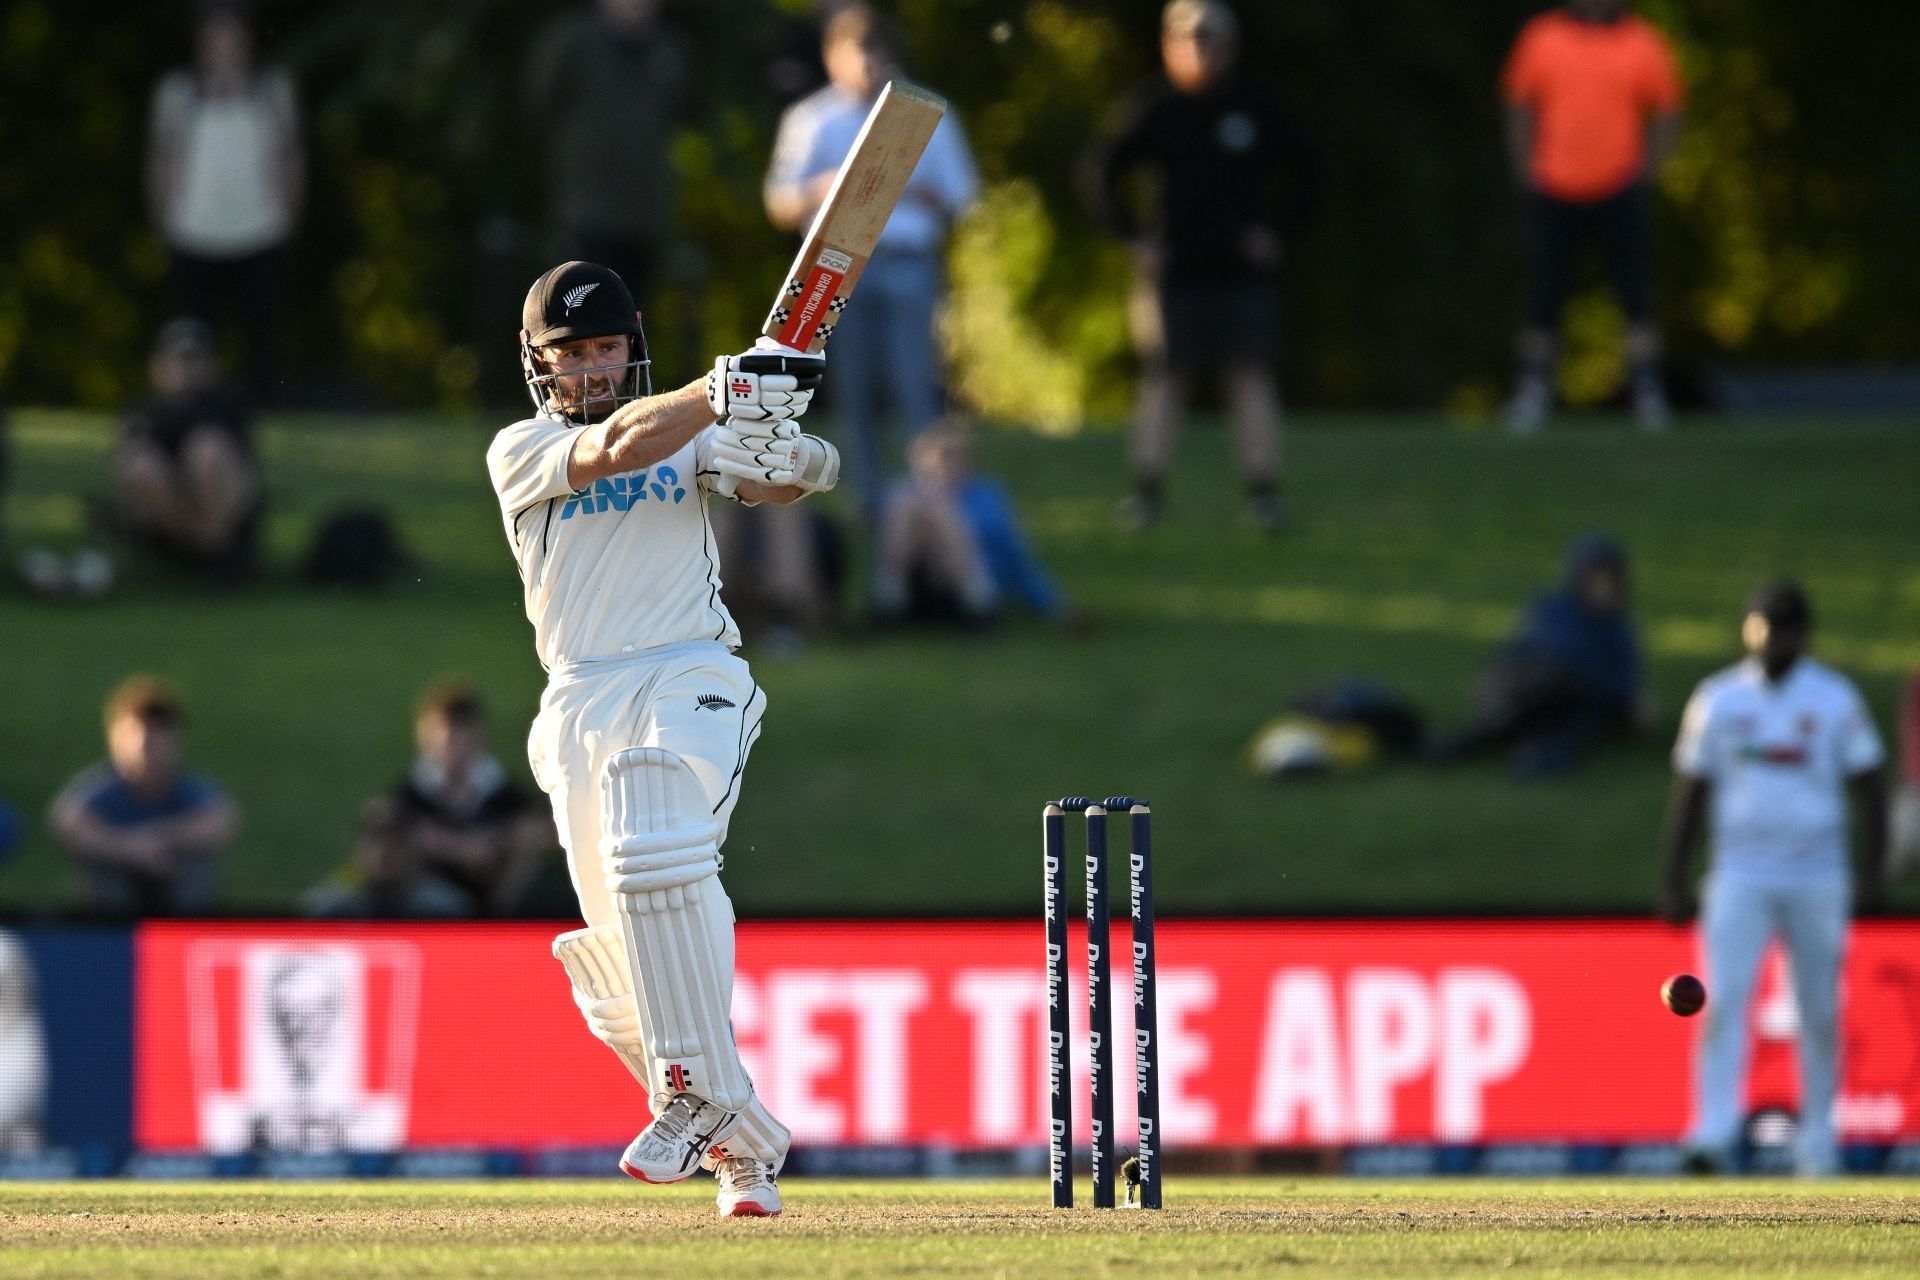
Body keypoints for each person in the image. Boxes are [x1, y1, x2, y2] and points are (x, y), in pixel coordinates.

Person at [486, 260, 843, 1216]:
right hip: (578, 702)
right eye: (572, 354)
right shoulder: (519, 450)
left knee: (655, 828)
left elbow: (774, 481)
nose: (593, 369)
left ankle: (686, 1098)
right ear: (540, 364)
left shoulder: (691, 435)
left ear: (631, 345)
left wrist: (790, 450)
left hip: (692, 670)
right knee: (615, 968)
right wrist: (721, 391)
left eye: (605, 348)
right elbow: (612, 449)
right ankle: (744, 1145)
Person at [1661, 582, 1889, 1176]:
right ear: (1746, 629)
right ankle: (1711, 1135)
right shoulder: (1718, 699)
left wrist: (1874, 872)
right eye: (1761, 624)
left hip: (1818, 872)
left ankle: (1817, 1143)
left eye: (1783, 626)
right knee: (1723, 1001)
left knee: (1819, 1009)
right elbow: (1691, 790)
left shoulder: (1835, 699)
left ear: (1803, 634)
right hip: (1740, 871)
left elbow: (1873, 789)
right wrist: (1674, 877)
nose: (1771, 637)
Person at [1095, 0, 1314, 534]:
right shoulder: (1156, 108)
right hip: (1174, 276)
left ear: (1230, 46)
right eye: (1187, 39)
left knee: (1249, 377)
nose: (1199, 50)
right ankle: (1147, 496)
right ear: (1169, 46)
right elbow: (1100, 172)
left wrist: (1279, 235)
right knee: (1166, 379)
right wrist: (1134, 238)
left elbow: (1310, 170)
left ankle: (1263, 496)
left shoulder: (1253, 104)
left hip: (1240, 274)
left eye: (1209, 39)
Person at [764, 4, 977, 516]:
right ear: (831, 57)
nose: (867, 66)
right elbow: (779, 202)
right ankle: (868, 500)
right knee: (853, 385)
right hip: (836, 269)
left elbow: (962, 195)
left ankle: (932, 498)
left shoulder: (926, 116)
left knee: (915, 381)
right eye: (856, 54)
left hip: (907, 260)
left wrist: (902, 186)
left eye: (876, 54)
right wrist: (829, 185)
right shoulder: (811, 120)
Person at [1500, 0, 1684, 433]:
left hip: (1619, 187)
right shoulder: (1542, 37)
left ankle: (1647, 392)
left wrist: (1648, 171)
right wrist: (1524, 170)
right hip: (1553, 186)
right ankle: (1533, 391)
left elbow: (1669, 108)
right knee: (1546, 293)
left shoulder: (1642, 41)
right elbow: (1518, 103)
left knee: (1634, 292)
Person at [147, 3, 302, 401]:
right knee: (195, 332)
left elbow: (290, 156)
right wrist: (166, 215)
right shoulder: (178, 93)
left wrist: (287, 212)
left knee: (260, 328)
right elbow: (163, 158)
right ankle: (195, 404)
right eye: (215, 38)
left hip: (259, 228)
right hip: (194, 230)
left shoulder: (271, 91)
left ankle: (266, 405)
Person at [306, 683, 556, 919]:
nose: (454, 748)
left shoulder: (506, 794)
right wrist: (462, 849)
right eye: (448, 738)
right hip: (423, 893)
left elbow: (538, 832)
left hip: (489, 899)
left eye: (461, 738)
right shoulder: (409, 794)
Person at [1434, 534, 1647, 776]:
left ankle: (1540, 756)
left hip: (1576, 701)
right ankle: (1461, 746)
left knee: (1581, 717)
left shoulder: (1619, 629)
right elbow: (1561, 656)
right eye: (1597, 580)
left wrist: (1628, 701)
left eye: (1610, 581)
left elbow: (1622, 676)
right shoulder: (1556, 609)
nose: (1603, 589)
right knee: (1522, 714)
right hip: (1533, 688)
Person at [526, 0, 686, 317]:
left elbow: (679, 114)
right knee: (576, 321)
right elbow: (539, 105)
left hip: (644, 218)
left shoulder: (668, 49)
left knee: (632, 324)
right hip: (585, 214)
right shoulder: (571, 42)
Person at [47, 676, 240, 917]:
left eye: (157, 732)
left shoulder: (186, 786)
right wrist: (128, 849)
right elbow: (68, 822)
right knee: (102, 871)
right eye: (135, 731)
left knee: (197, 868)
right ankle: (110, 943)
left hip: (170, 872)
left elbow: (223, 819)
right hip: (118, 880)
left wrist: (160, 839)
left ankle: (185, 941)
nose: (145, 742)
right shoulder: (103, 787)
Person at [871, 422, 1075, 630]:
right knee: (903, 500)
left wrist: (1052, 605)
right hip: (921, 588)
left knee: (935, 509)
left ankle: (979, 603)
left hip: (966, 593)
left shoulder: (987, 500)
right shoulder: (907, 502)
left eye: (951, 457)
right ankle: (889, 601)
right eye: (932, 460)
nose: (942, 466)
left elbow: (1016, 558)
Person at [115, 318, 261, 584]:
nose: (185, 369)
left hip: (225, 519)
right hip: (171, 520)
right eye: (177, 360)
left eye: (194, 360)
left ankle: (216, 550)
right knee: (140, 463)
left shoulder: (226, 406)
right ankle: (192, 546)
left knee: (206, 449)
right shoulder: (144, 410)